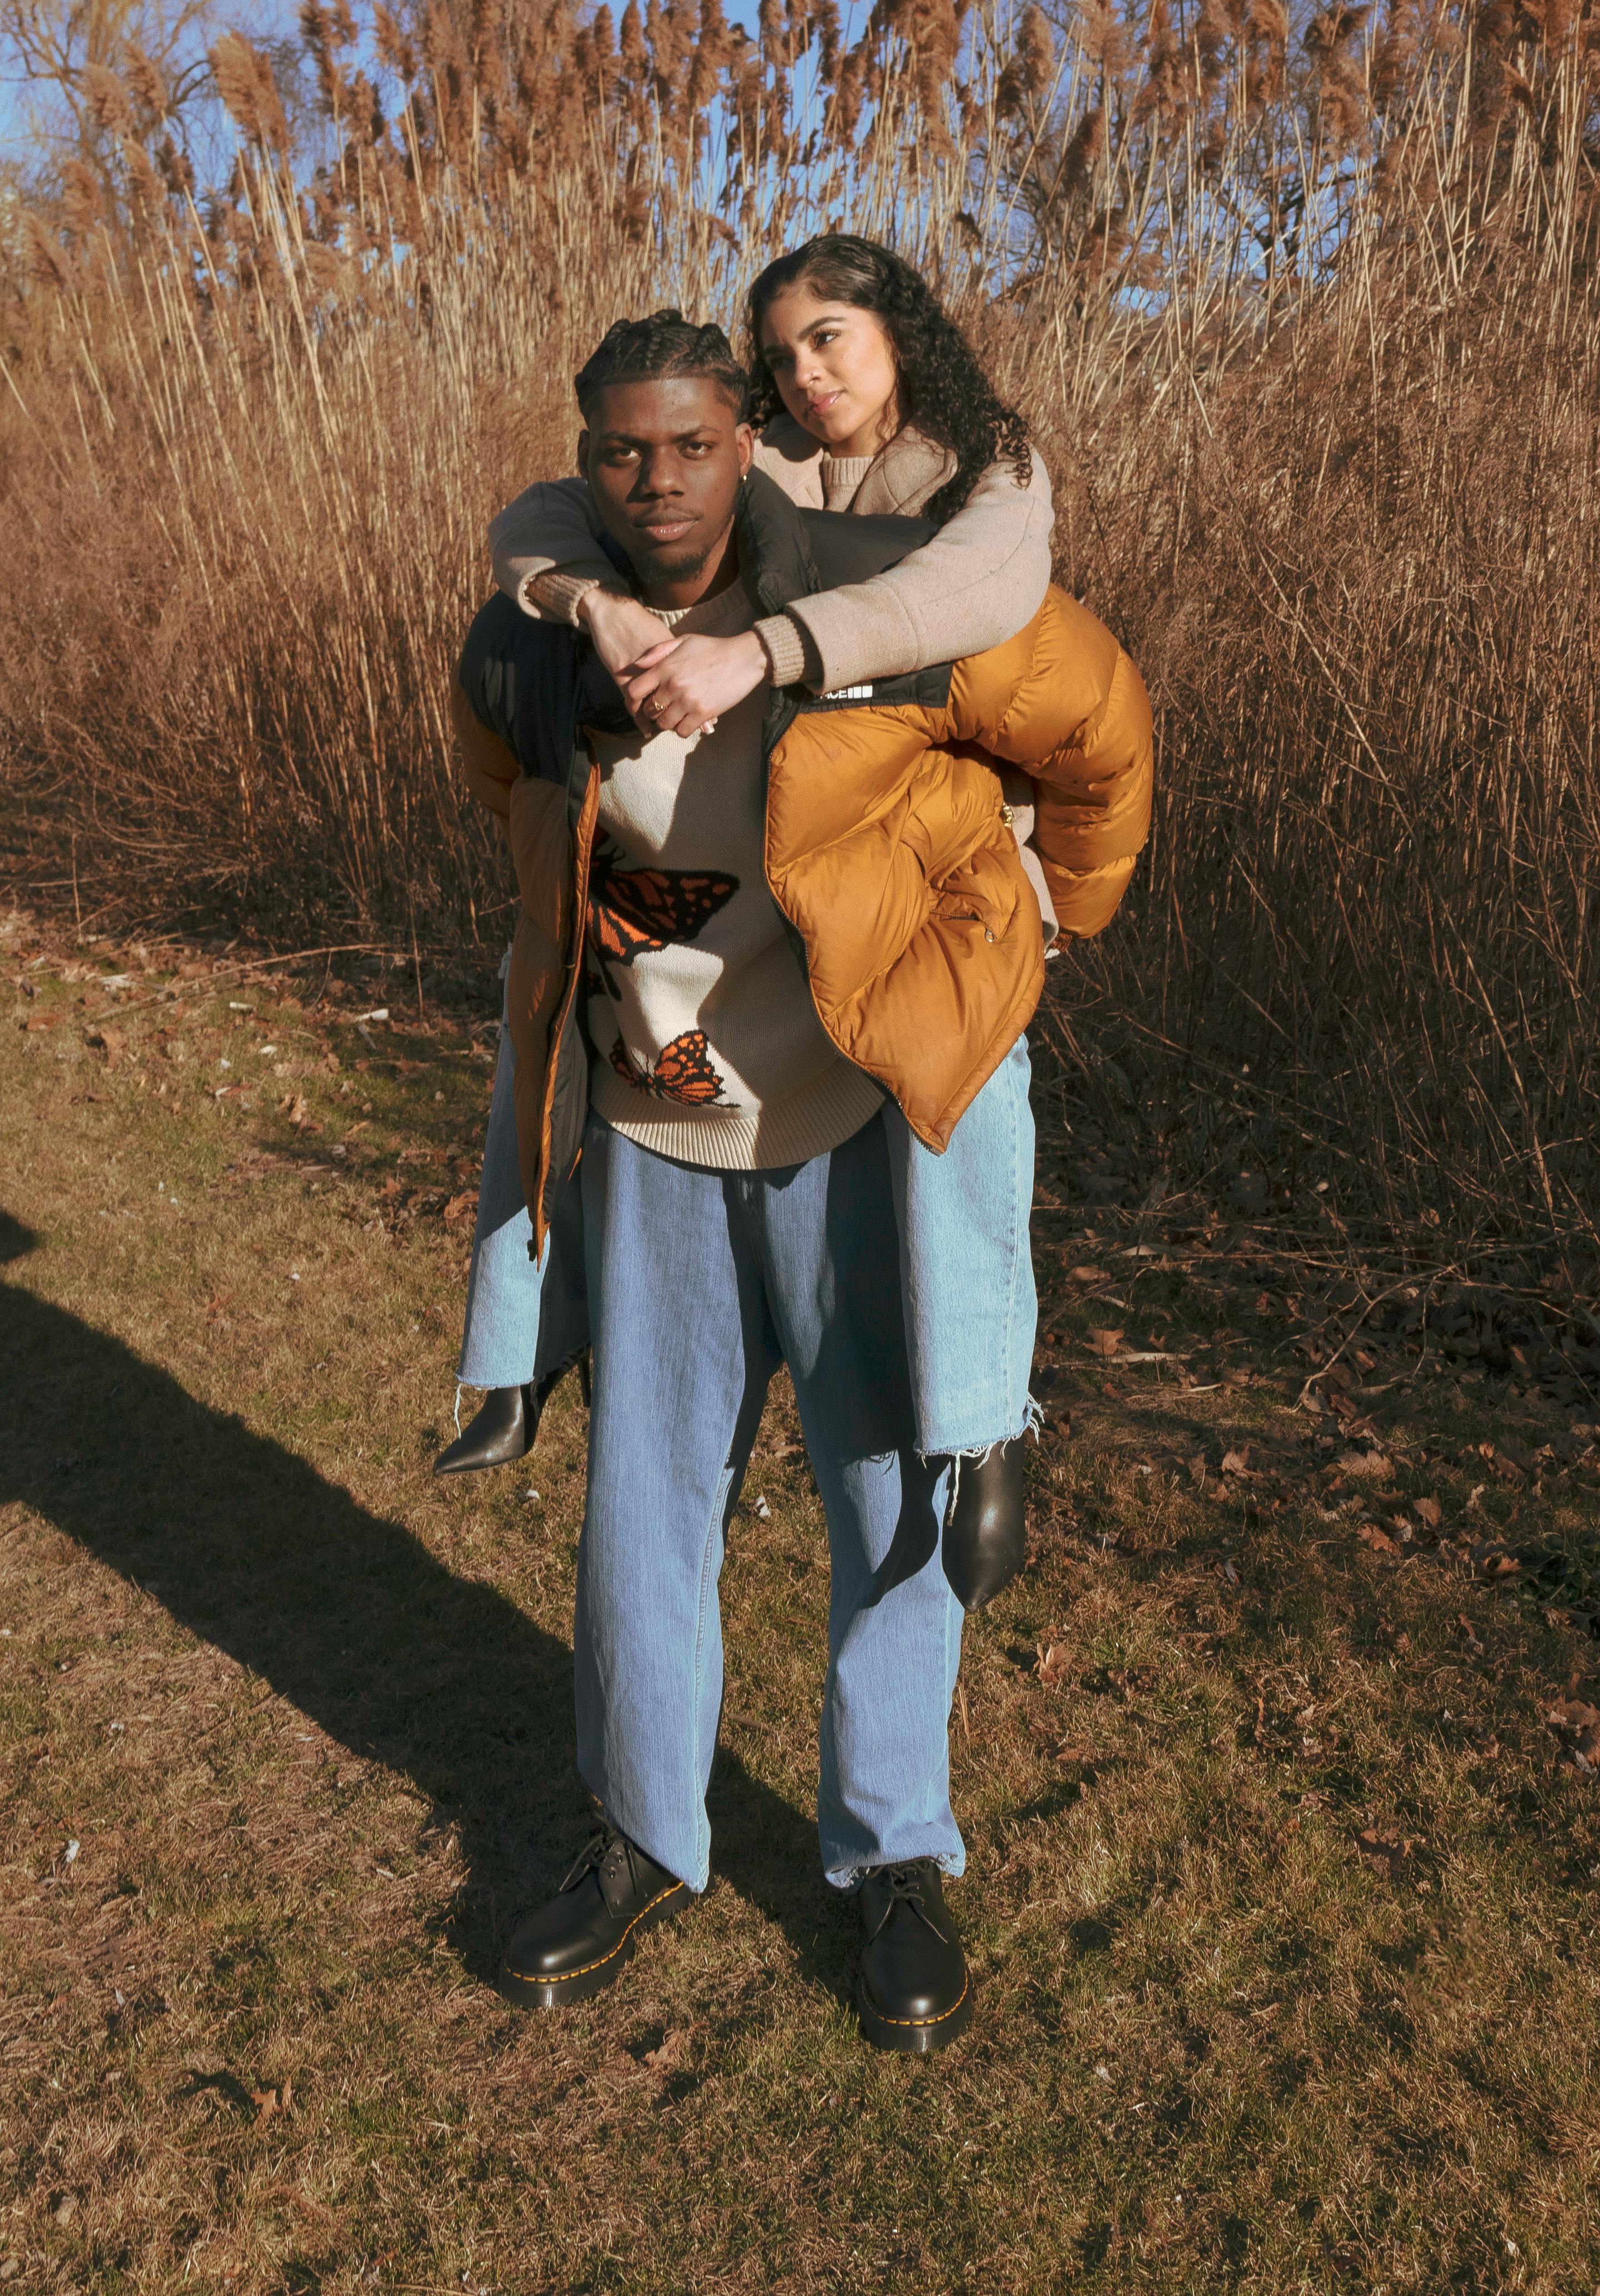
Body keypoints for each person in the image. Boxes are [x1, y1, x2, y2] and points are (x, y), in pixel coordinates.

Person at [450, 310, 1151, 2044]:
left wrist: (1043, 918)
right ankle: (637, 1837)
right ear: (584, 456)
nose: (658, 480)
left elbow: (1101, 730)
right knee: (641, 1515)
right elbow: (505, 782)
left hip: (848, 1143)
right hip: (660, 1139)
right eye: (621, 451)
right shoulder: (540, 629)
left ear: (741, 439)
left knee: (884, 1499)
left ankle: (891, 1853)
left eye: (692, 445)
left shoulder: (878, 598)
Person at [438, 239, 1059, 1602]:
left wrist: (757, 649)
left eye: (830, 337)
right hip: (799, 894)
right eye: (780, 355)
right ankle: (513, 1350)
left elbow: (976, 598)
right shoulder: (756, 458)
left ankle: (989, 1417)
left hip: (945, 890)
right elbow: (542, 516)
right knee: (541, 1006)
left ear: (898, 329)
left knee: (972, 1124)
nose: (806, 374)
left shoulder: (988, 469)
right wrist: (594, 604)